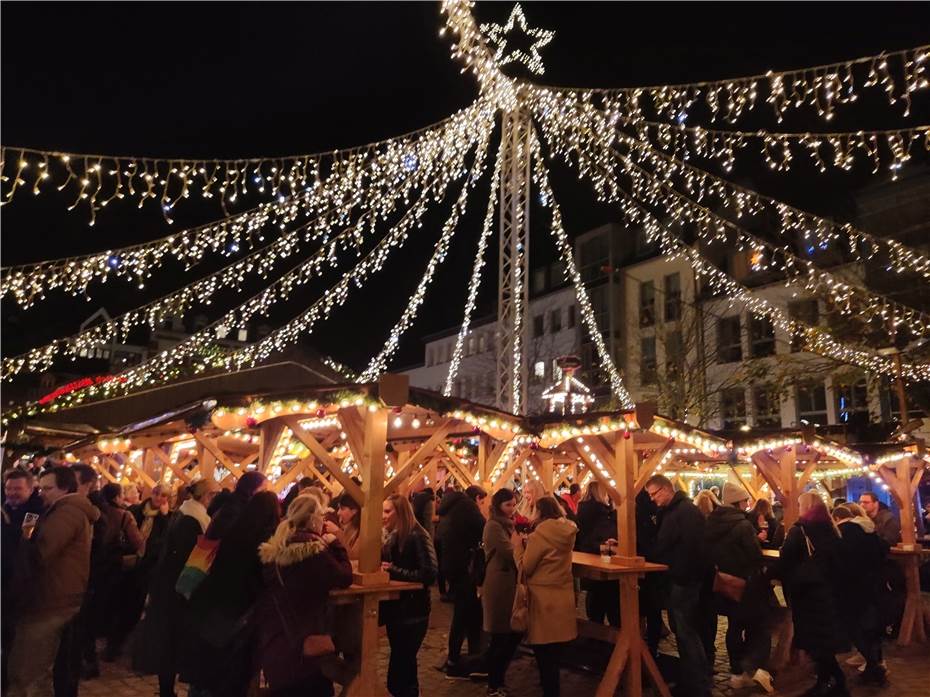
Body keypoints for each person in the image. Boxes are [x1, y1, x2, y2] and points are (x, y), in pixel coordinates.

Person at [6, 467, 100, 697]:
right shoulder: (63, 510)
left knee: (29, 672)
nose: (42, 494)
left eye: (47, 488)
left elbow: (40, 553)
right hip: (54, 599)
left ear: (65, 488)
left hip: (49, 601)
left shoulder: (66, 512)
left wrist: (20, 540)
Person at [183, 490, 281, 697]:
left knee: (206, 672)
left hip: (210, 607)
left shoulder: (233, 530)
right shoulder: (266, 542)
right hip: (237, 617)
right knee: (229, 676)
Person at [256, 494, 353, 696]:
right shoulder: (314, 551)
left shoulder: (275, 549)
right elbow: (344, 576)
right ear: (314, 519)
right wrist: (336, 544)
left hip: (276, 640)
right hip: (303, 646)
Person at [139, 479, 220, 697]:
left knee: (169, 642)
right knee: (172, 643)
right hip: (178, 592)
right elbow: (190, 561)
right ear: (207, 496)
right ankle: (167, 690)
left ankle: (166, 688)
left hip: (168, 589)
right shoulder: (194, 521)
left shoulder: (182, 515)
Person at [774, 492, 847, 697]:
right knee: (822, 643)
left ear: (805, 507)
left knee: (816, 643)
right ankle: (830, 683)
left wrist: (769, 575)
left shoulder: (800, 531)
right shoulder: (832, 530)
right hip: (828, 593)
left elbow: (785, 559)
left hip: (807, 594)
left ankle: (833, 683)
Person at [644, 475, 710, 697]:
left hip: (684, 581)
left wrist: (681, 573)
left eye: (654, 494)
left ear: (666, 489)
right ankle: (694, 680)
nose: (653, 499)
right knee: (684, 632)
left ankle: (698, 685)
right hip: (679, 579)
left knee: (686, 633)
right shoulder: (674, 512)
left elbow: (693, 549)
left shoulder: (685, 513)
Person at [705, 482, 773, 694]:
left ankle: (736, 672)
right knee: (760, 626)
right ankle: (752, 668)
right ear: (739, 502)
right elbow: (753, 556)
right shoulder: (743, 526)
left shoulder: (711, 523)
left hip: (725, 584)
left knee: (734, 626)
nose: (747, 504)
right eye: (745, 500)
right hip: (747, 584)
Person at [381, 493, 438, 697]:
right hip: (398, 611)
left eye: (387, 511)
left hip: (413, 612)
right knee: (404, 665)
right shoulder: (395, 536)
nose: (383, 516)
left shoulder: (417, 535)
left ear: (401, 512)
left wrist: (394, 570)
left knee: (400, 668)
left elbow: (429, 573)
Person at [522, 496, 577, 697]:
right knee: (555, 653)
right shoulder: (568, 533)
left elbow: (527, 566)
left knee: (544, 654)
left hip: (542, 598)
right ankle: (552, 689)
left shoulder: (539, 536)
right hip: (562, 595)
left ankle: (550, 691)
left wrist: (520, 548)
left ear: (539, 512)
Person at [833, 504, 889, 686]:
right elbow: (884, 549)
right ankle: (876, 665)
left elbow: (840, 562)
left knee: (855, 628)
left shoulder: (843, 533)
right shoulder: (869, 530)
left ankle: (874, 666)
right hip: (873, 586)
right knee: (871, 628)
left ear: (836, 519)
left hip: (852, 588)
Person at [436, 484, 487, 677]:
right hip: (464, 567)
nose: (482, 505)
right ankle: (455, 660)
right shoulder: (467, 506)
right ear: (476, 498)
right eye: (481, 501)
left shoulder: (450, 506)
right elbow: (485, 528)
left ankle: (472, 656)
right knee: (463, 613)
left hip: (450, 564)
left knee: (470, 611)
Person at [2, 470, 43, 691]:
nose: (12, 493)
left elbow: (26, 550)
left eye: (17, 489)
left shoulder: (35, 514)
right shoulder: (4, 509)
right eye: (9, 488)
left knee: (11, 640)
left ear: (30, 489)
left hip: (17, 588)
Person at [96, 482, 144, 662]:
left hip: (98, 565)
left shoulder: (96, 511)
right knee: (118, 606)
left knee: (102, 605)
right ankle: (112, 647)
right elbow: (138, 543)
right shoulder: (124, 515)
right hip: (117, 567)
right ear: (117, 496)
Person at [481, 489, 522, 697]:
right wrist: (521, 543)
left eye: (514, 504)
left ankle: (496, 679)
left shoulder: (508, 525)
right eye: (508, 505)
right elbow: (509, 552)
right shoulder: (493, 526)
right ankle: (494, 683)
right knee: (501, 636)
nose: (512, 509)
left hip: (508, 585)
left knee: (508, 635)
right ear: (498, 506)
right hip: (498, 586)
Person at [575, 480, 620, 627]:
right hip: (602, 554)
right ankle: (609, 631)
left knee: (594, 594)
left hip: (587, 554)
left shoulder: (582, 509)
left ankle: (594, 628)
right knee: (608, 595)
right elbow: (606, 533)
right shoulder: (602, 512)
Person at [693, 488, 719, 673]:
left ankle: (701, 656)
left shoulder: (693, 523)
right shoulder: (715, 523)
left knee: (698, 616)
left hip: (696, 576)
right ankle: (708, 654)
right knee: (710, 616)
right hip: (710, 575)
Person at [636, 488, 664, 658]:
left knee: (643, 610)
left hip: (643, 567)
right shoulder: (656, 514)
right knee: (653, 611)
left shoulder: (637, 515)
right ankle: (651, 648)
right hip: (653, 567)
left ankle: (645, 646)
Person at [325, 493, 361, 559]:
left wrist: (338, 532)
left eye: (342, 509)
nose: (338, 513)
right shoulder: (341, 523)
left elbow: (352, 557)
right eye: (338, 508)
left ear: (354, 511)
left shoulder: (362, 531)